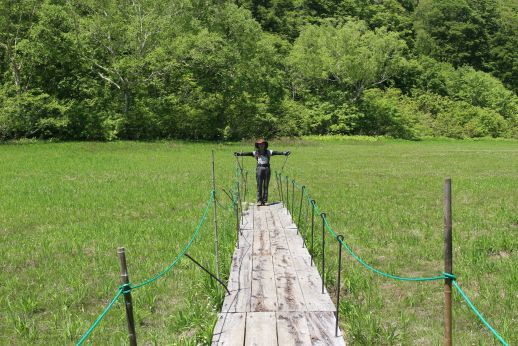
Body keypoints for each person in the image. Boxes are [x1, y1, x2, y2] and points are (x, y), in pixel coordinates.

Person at [234, 139, 290, 206]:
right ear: (257, 145)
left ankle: (265, 201)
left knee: (266, 185)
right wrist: (239, 154)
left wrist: (284, 153)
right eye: (259, 144)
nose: (261, 145)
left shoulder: (268, 152)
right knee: (259, 185)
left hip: (267, 168)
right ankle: (259, 201)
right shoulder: (256, 152)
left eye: (262, 144)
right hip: (259, 168)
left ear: (265, 145)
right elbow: (248, 153)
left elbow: (276, 152)